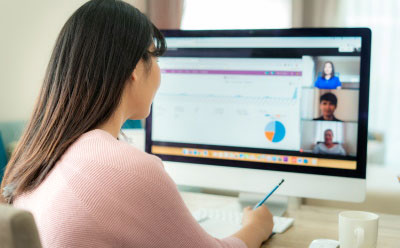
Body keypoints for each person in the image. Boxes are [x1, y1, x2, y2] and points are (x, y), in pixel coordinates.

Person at [0, 1, 273, 248]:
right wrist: (256, 227)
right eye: (154, 58)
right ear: (133, 67)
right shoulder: (126, 168)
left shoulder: (37, 157)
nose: (158, 71)